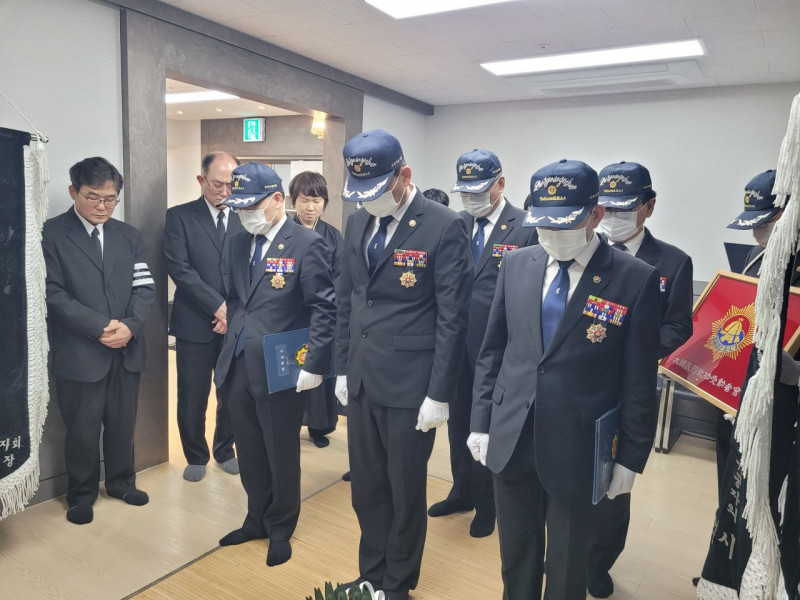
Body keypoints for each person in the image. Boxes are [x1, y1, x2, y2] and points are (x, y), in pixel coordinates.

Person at [470, 159, 661, 600]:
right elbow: (493, 350)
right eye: (543, 223)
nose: (552, 234)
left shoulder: (634, 279)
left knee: (568, 564)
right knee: (516, 554)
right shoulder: (517, 264)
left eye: (565, 223)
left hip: (580, 446)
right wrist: (481, 420)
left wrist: (631, 457)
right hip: (512, 434)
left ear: (596, 214)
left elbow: (638, 379)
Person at [334, 129, 472, 600]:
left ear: (404, 175)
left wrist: (439, 392)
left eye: (376, 189)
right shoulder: (357, 223)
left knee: (404, 490)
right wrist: (340, 367)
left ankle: (397, 582)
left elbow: (452, 317)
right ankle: (371, 572)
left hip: (412, 386)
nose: (367, 200)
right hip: (362, 377)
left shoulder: (444, 225)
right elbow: (349, 300)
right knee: (366, 487)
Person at [213, 162, 336, 566]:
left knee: (281, 451)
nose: (245, 214)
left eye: (252, 206)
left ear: (278, 199)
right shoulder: (237, 240)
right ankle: (256, 518)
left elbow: (324, 309)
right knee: (249, 449)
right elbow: (236, 299)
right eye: (239, 207)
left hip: (281, 367)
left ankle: (281, 526)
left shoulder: (306, 243)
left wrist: (313, 364)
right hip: (238, 363)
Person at [587, 161, 694, 597]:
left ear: (648, 207)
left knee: (615, 482)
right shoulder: (585, 250)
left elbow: (678, 327)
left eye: (623, 208)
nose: (612, 216)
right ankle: (566, 547)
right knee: (570, 472)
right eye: (606, 207)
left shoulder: (672, 262)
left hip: (628, 390)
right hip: (581, 383)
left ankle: (599, 561)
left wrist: (634, 348)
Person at [427, 149, 537, 538]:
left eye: (478, 191)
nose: (471, 199)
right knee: (458, 420)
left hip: (499, 349)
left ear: (500, 184)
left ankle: (488, 503)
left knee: (488, 424)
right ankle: (461, 490)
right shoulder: (454, 224)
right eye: (465, 192)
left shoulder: (524, 227)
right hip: (454, 343)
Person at [42, 157, 155, 525]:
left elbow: (145, 287)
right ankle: (81, 494)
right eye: (93, 197)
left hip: (126, 348)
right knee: (82, 429)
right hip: (80, 351)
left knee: (123, 423)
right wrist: (101, 327)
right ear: (73, 192)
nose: (103, 206)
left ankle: (122, 483)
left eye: (110, 199)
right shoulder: (51, 234)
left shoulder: (129, 235)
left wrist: (130, 326)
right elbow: (53, 293)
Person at [164, 151, 242, 482]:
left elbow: (252, 269)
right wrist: (217, 306)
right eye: (217, 184)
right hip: (194, 323)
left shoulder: (246, 216)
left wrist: (231, 311)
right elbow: (180, 269)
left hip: (235, 323)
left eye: (231, 185)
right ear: (201, 180)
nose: (224, 191)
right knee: (192, 395)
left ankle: (225, 450)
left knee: (232, 393)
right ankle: (195, 455)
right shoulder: (179, 217)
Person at [288, 170, 343, 448]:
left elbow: (340, 278)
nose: (310, 207)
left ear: (325, 203)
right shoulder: (284, 232)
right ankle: (289, 423)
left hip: (322, 315)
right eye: (304, 200)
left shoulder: (333, 236)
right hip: (290, 316)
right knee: (290, 373)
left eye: (317, 201)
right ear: (293, 201)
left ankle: (318, 426)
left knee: (321, 372)